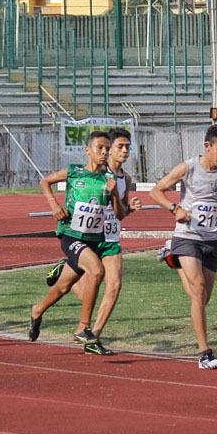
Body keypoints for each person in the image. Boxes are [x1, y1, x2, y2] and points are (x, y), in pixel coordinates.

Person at [150, 125, 217, 370]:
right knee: (198, 288)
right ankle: (205, 354)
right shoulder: (188, 168)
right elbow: (156, 191)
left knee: (202, 298)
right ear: (207, 146)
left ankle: (172, 256)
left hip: (212, 239)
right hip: (187, 236)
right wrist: (174, 209)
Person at [28, 130, 123, 354]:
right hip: (71, 235)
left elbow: (119, 213)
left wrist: (115, 193)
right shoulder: (74, 172)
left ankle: (37, 310)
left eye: (107, 149)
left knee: (62, 287)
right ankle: (83, 328)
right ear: (87, 150)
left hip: (94, 240)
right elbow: (45, 181)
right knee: (97, 271)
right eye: (100, 148)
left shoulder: (108, 180)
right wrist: (53, 205)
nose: (104, 152)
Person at [50, 127, 142, 354]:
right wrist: (55, 205)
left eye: (127, 147)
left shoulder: (125, 178)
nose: (124, 151)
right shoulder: (94, 173)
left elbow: (119, 212)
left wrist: (129, 208)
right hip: (88, 237)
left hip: (110, 237)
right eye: (119, 146)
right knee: (85, 287)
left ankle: (93, 336)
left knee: (115, 285)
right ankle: (68, 270)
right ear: (107, 150)